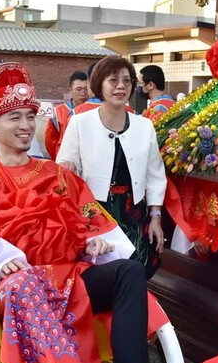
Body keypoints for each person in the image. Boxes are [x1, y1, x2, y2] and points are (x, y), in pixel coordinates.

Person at [0, 62, 151, 363]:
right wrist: (3, 261)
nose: (26, 126)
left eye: (30, 116)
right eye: (14, 118)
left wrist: (93, 240)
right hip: (18, 283)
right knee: (26, 284)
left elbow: (89, 216)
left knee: (129, 270)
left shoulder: (56, 174)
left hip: (69, 274)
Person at [58, 55, 167, 277]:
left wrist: (156, 216)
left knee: (137, 274)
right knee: (102, 274)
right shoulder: (80, 123)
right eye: (113, 80)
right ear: (99, 84)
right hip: (94, 215)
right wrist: (66, 172)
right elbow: (63, 172)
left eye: (127, 81)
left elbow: (155, 175)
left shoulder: (144, 126)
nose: (121, 86)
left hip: (134, 214)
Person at [43, 70, 89, 159]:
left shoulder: (94, 110)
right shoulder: (58, 112)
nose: (83, 93)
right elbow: (50, 141)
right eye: (78, 89)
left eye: (86, 89)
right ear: (70, 90)